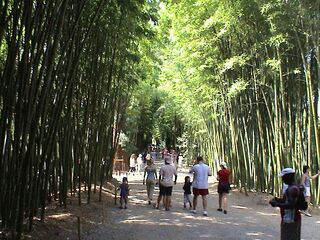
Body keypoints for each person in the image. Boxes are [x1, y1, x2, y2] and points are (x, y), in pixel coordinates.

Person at [269, 168, 301, 240]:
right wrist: (278, 200)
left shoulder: (292, 189)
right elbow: (287, 201)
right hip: (289, 219)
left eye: (283, 177)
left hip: (291, 220)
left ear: (288, 177)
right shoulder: (292, 187)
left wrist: (277, 204)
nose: (283, 179)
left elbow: (290, 205)